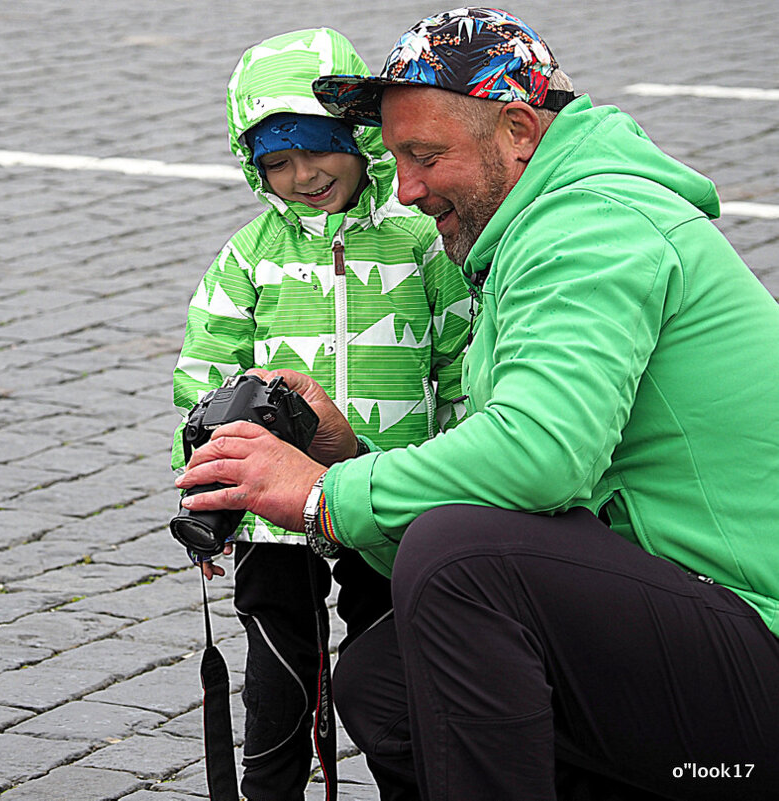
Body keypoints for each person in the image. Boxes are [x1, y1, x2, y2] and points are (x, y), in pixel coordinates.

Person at [176, 7, 779, 800]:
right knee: (382, 679)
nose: (411, 189)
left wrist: (321, 496)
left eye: (425, 156)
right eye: (395, 159)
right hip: (687, 619)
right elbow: (524, 497)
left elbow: (539, 459)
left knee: (460, 557)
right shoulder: (531, 228)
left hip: (754, 641)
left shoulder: (588, 227)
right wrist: (348, 458)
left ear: (519, 130)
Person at [170, 26, 470, 801]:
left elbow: (463, 363)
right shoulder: (248, 256)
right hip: (274, 514)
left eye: (318, 149)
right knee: (276, 688)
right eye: (276, 161)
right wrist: (207, 496)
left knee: (399, 682)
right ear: (252, 165)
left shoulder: (419, 244)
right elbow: (204, 380)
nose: (302, 175)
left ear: (359, 136)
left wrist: (460, 473)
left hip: (389, 491)